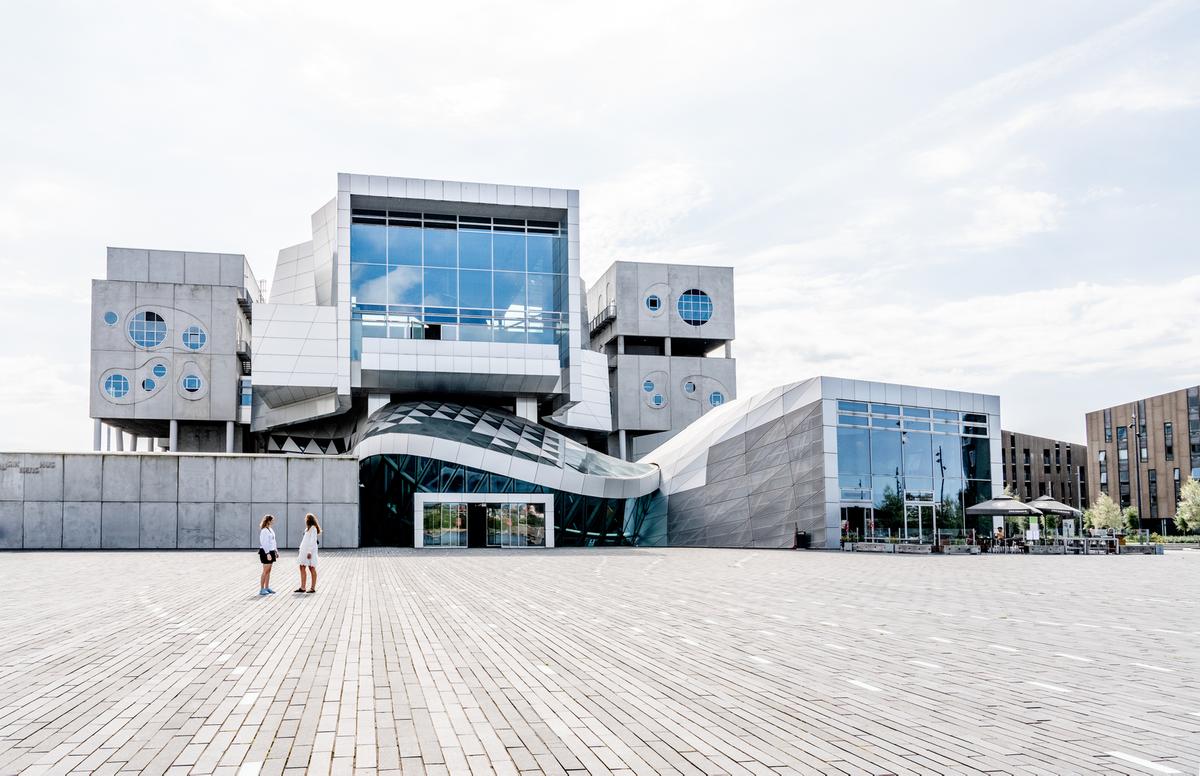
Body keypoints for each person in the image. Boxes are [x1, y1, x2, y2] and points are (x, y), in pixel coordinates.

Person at [296, 513, 321, 593]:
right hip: (303, 551)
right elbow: (305, 540)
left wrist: (309, 551)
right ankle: (303, 587)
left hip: (309, 551)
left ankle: (313, 588)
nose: (305, 520)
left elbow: (313, 541)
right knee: (302, 567)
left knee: (311, 568)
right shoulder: (307, 529)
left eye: (306, 518)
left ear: (309, 520)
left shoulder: (313, 528)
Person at [258, 515, 278, 595]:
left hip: (271, 551)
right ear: (268, 521)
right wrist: (267, 553)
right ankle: (262, 589)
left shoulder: (270, 529)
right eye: (272, 520)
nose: (273, 521)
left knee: (269, 571)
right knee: (265, 571)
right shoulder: (264, 531)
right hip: (265, 552)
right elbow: (264, 542)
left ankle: (267, 587)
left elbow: (273, 541)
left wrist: (276, 551)